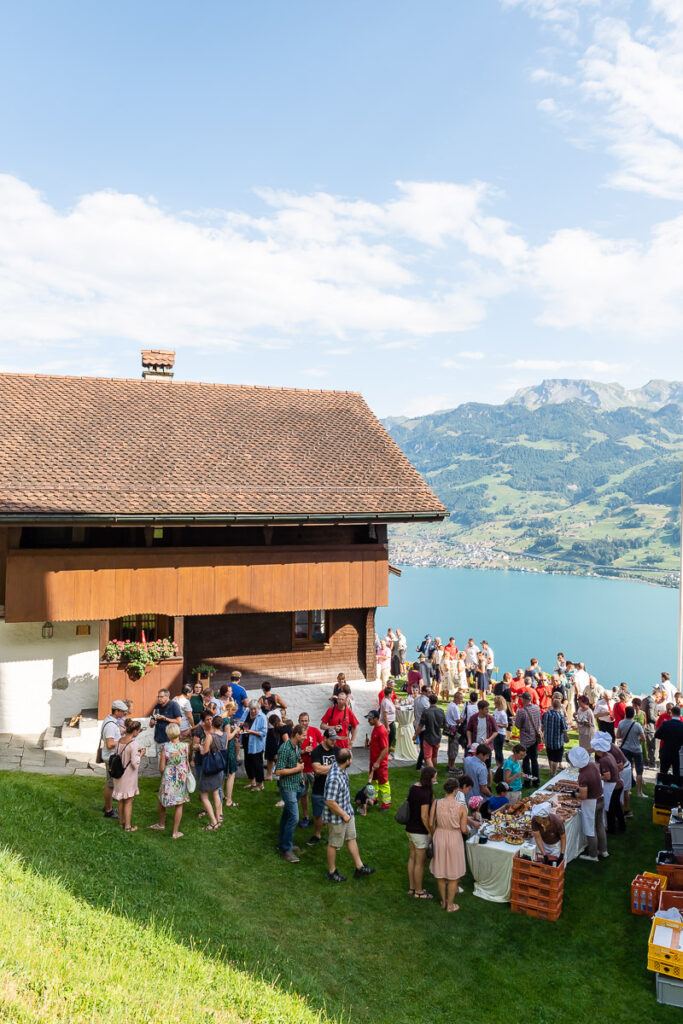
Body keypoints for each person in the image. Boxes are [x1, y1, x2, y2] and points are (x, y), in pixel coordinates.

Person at [323, 747, 375, 882]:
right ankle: (332, 872)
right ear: (347, 761)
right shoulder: (335, 778)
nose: (352, 760)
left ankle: (359, 867)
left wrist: (347, 813)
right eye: (351, 758)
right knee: (333, 844)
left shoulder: (341, 768)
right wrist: (343, 815)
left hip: (347, 811)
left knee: (351, 838)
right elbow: (330, 801)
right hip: (337, 817)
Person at [429, 776, 468, 912]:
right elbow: (463, 829)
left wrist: (435, 834)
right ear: (456, 790)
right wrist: (468, 830)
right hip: (454, 838)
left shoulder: (437, 802)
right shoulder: (461, 807)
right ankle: (450, 905)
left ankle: (444, 902)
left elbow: (430, 823)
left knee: (440, 872)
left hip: (439, 836)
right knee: (454, 873)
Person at [150, 721, 190, 838]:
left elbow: (161, 767)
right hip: (181, 776)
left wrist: (165, 773)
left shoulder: (165, 747)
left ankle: (161, 824)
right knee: (179, 803)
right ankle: (175, 832)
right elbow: (186, 762)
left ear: (168, 734)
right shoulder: (185, 746)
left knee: (162, 800)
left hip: (169, 776)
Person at [569, 745, 608, 863]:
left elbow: (584, 796)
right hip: (600, 798)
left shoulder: (583, 775)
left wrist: (574, 794)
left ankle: (593, 854)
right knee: (599, 825)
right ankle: (604, 850)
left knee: (590, 828)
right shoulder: (591, 764)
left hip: (592, 803)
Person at [275, 723, 304, 863]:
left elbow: (299, 763)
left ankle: (283, 843)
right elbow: (278, 771)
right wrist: (297, 770)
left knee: (287, 814)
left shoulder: (298, 746)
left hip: (297, 784)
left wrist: (301, 776)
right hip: (287, 787)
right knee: (294, 817)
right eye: (303, 735)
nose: (305, 737)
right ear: (297, 735)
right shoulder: (285, 748)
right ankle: (286, 850)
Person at [405, 765, 436, 899]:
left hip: (410, 828)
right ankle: (419, 891)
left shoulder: (414, 788)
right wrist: (431, 831)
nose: (436, 779)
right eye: (435, 777)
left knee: (412, 858)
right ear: (429, 778)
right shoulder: (425, 793)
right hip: (420, 832)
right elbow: (424, 816)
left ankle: (412, 888)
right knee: (420, 862)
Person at [112, 718, 145, 832]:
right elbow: (135, 763)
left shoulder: (120, 741)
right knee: (128, 801)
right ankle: (128, 826)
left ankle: (121, 822)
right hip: (128, 776)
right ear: (135, 731)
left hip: (118, 774)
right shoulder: (133, 744)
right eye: (138, 731)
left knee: (121, 799)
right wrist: (141, 755)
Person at [307, 729, 338, 846]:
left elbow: (347, 761)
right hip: (319, 787)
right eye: (331, 739)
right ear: (324, 739)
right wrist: (336, 766)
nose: (334, 741)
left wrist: (324, 769)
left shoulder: (337, 750)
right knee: (317, 814)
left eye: (335, 739)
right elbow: (317, 769)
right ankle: (317, 834)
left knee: (333, 812)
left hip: (333, 788)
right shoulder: (316, 751)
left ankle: (332, 837)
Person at [100, 699, 128, 819]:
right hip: (111, 757)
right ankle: (108, 810)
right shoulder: (111, 725)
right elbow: (110, 744)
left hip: (110, 756)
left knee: (110, 783)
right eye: (122, 712)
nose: (124, 714)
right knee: (110, 784)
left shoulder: (111, 721)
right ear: (116, 711)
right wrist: (123, 742)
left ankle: (108, 805)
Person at [197, 715, 227, 830]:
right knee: (216, 792)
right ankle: (219, 816)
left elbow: (205, 752)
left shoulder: (210, 736)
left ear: (213, 724)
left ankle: (213, 822)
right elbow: (224, 748)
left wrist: (201, 748)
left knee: (204, 795)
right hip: (219, 767)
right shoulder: (225, 735)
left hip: (210, 767)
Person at [591, 733, 625, 834]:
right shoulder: (609, 754)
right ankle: (622, 826)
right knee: (617, 806)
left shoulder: (603, 760)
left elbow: (607, 777)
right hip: (618, 783)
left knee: (610, 808)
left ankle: (611, 829)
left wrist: (597, 777)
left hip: (613, 786)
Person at [297, 712, 323, 828]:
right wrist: (303, 751)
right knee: (303, 794)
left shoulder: (315, 731)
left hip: (314, 768)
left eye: (306, 720)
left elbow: (323, 746)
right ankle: (306, 817)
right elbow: (293, 751)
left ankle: (319, 816)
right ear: (299, 721)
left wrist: (315, 750)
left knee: (318, 793)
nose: (304, 723)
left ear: (309, 721)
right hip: (301, 769)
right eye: (302, 721)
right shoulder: (296, 733)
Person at [366, 709, 391, 810]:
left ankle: (386, 804)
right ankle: (374, 798)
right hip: (374, 762)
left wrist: (377, 762)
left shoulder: (381, 731)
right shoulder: (375, 728)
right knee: (375, 781)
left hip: (380, 763)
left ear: (376, 719)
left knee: (383, 783)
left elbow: (385, 749)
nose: (368, 721)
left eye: (370, 719)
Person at [515, 692, 541, 785]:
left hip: (525, 740)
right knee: (534, 760)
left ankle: (527, 782)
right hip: (535, 738)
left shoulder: (521, 711)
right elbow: (539, 722)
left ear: (524, 699)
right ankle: (536, 781)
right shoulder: (537, 708)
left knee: (525, 761)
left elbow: (517, 725)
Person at [242, 700, 268, 791]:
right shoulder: (246, 713)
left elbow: (264, 733)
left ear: (258, 708)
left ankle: (260, 784)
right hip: (246, 742)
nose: (252, 711)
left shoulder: (262, 717)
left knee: (257, 764)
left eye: (254, 709)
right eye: (251, 709)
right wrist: (240, 726)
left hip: (256, 744)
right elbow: (241, 722)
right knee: (248, 763)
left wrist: (251, 732)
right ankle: (252, 781)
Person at [221, 700, 241, 808]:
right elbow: (228, 737)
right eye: (234, 711)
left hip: (221, 749)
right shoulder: (227, 722)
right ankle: (229, 800)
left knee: (222, 773)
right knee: (231, 773)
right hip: (229, 749)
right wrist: (236, 730)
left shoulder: (220, 717)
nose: (234, 713)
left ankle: (222, 795)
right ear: (230, 709)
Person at [542, 697, 568, 777]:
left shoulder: (546, 714)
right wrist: (566, 738)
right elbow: (564, 729)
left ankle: (551, 770)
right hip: (557, 741)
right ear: (560, 707)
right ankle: (553, 773)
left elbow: (542, 727)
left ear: (552, 705)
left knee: (550, 756)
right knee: (556, 759)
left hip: (548, 739)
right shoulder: (560, 716)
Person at [419, 693, 447, 768]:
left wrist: (415, 735)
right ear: (436, 701)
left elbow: (420, 726)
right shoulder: (441, 711)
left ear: (429, 701)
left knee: (427, 757)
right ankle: (434, 771)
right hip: (437, 736)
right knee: (434, 756)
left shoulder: (426, 712)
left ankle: (432, 774)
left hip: (428, 736)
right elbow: (445, 725)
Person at [655, 705, 683, 775]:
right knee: (676, 773)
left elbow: (657, 735)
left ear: (672, 713)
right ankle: (675, 784)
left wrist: (666, 738)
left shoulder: (665, 724)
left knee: (663, 772)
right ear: (679, 714)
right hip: (678, 752)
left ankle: (662, 784)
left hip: (666, 750)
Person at [413, 685, 432, 769]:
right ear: (423, 692)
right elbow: (429, 714)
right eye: (428, 692)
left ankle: (421, 762)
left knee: (422, 746)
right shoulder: (425, 702)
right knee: (424, 748)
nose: (430, 693)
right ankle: (419, 764)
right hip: (423, 727)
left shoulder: (417, 699)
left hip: (418, 724)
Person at [641, 688, 661, 768]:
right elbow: (651, 716)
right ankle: (652, 764)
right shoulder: (651, 702)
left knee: (644, 746)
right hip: (650, 726)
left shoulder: (644, 700)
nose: (659, 700)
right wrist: (659, 721)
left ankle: (645, 762)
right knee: (651, 746)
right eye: (659, 698)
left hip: (644, 725)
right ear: (657, 696)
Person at [446, 692, 464, 770]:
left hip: (449, 729)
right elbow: (457, 720)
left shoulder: (450, 705)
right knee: (454, 748)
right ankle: (452, 765)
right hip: (454, 730)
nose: (461, 700)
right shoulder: (455, 707)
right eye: (460, 699)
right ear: (455, 698)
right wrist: (463, 719)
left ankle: (449, 764)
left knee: (450, 747)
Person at [379, 684, 397, 752]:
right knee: (389, 737)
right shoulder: (386, 702)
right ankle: (386, 752)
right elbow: (385, 715)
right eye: (392, 693)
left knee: (391, 736)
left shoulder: (388, 699)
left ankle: (386, 752)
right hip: (388, 723)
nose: (393, 694)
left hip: (390, 722)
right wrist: (387, 726)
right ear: (389, 694)